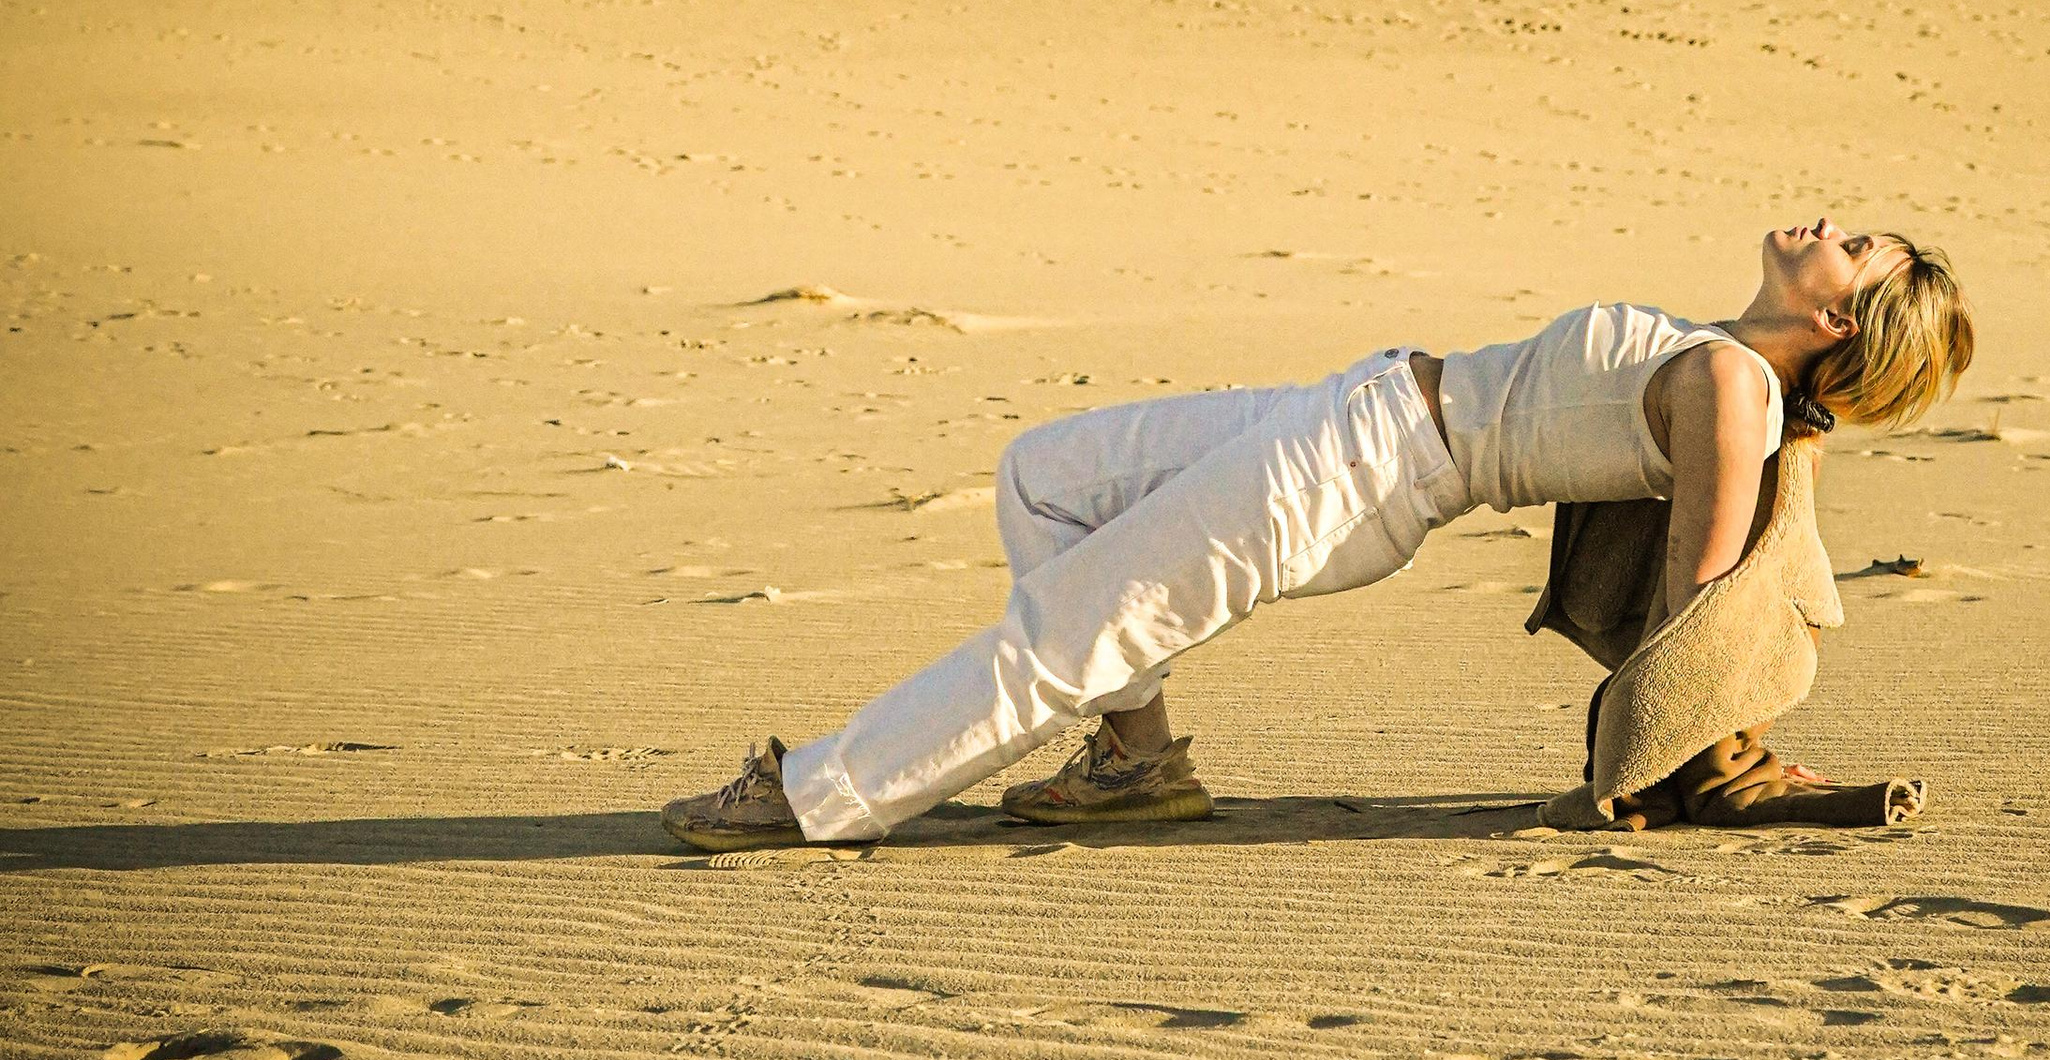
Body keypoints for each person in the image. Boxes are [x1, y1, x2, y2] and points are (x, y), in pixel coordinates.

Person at [661, 217, 1972, 853]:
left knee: (1063, 638)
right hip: (1349, 411)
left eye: (1853, 246)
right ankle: (1136, 762)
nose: (1826, 225)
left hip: (1354, 476)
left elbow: (1702, 593)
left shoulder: (1733, 392)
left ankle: (819, 794)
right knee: (1045, 476)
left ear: (1839, 322)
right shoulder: (1719, 355)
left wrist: (1698, 733)